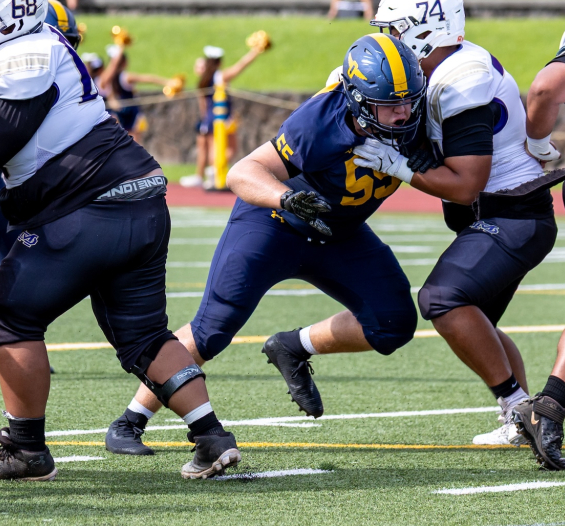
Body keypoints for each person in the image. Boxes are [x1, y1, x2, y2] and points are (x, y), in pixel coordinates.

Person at [0, 0, 241, 482]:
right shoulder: (36, 46)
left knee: (12, 316)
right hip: (136, 198)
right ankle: (212, 436)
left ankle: (25, 449)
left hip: (89, 203)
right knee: (143, 334)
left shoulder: (23, 56)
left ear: (12, 18)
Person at [105, 34, 426, 454]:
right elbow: (242, 172)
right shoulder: (321, 121)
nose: (404, 113)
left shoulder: (424, 116)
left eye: (409, 101)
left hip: (338, 234)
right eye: (391, 103)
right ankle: (129, 421)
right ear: (359, 101)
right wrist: (286, 198)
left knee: (393, 322)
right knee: (211, 331)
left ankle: (292, 347)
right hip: (274, 224)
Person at [365, 0, 557, 446]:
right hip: (500, 212)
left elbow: (467, 182)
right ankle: (519, 418)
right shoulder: (444, 65)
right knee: (478, 323)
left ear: (424, 31)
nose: (390, 39)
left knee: (442, 299)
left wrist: (398, 166)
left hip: (513, 213)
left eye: (396, 29)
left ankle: (520, 407)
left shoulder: (462, 76)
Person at [510, 18, 565, 470]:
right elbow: (545, 88)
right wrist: (536, 140)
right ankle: (548, 408)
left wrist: (539, 143)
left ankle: (549, 409)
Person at [179, 42, 266, 189]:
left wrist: (204, 119)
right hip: (221, 117)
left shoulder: (205, 78)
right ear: (219, 62)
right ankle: (214, 172)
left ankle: (213, 172)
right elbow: (240, 66)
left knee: (219, 148)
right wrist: (255, 52)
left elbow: (203, 104)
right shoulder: (220, 76)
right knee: (226, 148)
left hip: (210, 117)